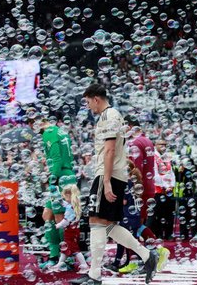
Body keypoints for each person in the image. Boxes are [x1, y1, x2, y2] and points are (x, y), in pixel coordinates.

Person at [70, 83, 158, 285]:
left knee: (96, 222)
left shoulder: (109, 116)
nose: (88, 106)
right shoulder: (111, 116)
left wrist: (106, 181)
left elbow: (110, 150)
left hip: (107, 175)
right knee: (108, 226)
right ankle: (147, 256)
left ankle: (94, 275)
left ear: (96, 99)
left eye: (88, 101)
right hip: (113, 175)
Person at [119, 116, 169, 274]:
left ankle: (155, 252)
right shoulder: (147, 141)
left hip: (137, 189)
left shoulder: (134, 143)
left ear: (130, 126)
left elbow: (135, 169)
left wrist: (127, 191)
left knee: (129, 225)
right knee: (137, 224)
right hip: (148, 187)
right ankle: (144, 257)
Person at [37, 118, 77, 269]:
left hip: (60, 177)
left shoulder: (49, 133)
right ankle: (54, 255)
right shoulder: (60, 131)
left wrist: (53, 177)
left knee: (61, 218)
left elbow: (57, 158)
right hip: (66, 174)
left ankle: (66, 258)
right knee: (48, 215)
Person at [50, 184, 88, 274]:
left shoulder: (70, 209)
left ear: (70, 195)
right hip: (72, 231)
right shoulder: (72, 205)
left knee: (75, 249)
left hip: (70, 231)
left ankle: (85, 265)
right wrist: (57, 194)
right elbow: (63, 203)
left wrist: (57, 225)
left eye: (65, 195)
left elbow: (66, 221)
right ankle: (60, 264)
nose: (64, 197)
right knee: (65, 249)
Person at [152, 139, 176, 239]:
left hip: (169, 189)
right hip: (159, 190)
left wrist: (171, 186)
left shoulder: (167, 157)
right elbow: (155, 174)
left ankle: (169, 233)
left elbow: (171, 173)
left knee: (170, 213)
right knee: (158, 213)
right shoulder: (154, 157)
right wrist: (165, 186)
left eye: (165, 144)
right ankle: (158, 234)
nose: (164, 146)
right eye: (161, 144)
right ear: (155, 145)